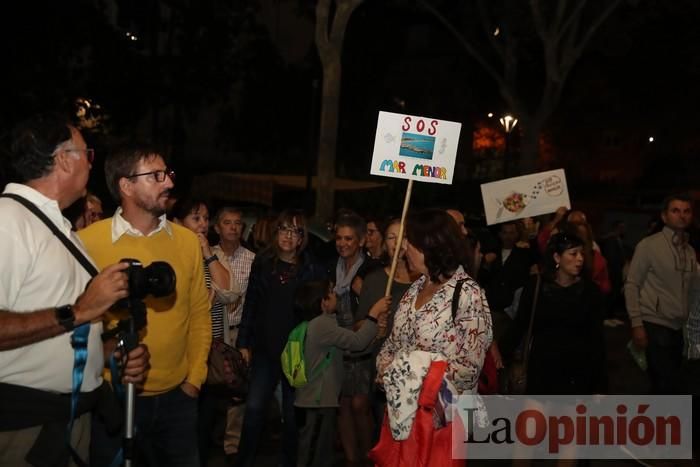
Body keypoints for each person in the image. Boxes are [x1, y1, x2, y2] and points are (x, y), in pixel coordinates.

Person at [0, 114, 148, 466]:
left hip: (69, 421)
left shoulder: (60, 230)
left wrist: (112, 352)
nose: (91, 165)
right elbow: (74, 314)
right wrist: (80, 311)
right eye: (88, 154)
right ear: (64, 159)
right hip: (24, 428)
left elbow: (62, 332)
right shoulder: (8, 220)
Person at [79, 145, 211, 466]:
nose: (168, 182)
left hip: (177, 400)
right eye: (156, 176)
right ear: (126, 186)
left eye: (168, 174)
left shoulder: (187, 241)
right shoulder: (86, 242)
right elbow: (79, 321)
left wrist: (194, 379)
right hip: (110, 398)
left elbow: (199, 314)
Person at [376, 209, 492, 441]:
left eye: (411, 241)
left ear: (433, 245)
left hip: (443, 423)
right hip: (404, 417)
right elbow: (392, 345)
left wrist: (409, 374)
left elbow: (468, 368)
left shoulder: (468, 293)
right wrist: (387, 369)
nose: (404, 247)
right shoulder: (414, 289)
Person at [235, 210, 327, 467]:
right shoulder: (263, 263)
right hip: (264, 350)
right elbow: (251, 304)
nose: (288, 236)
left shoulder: (313, 268)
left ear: (302, 237)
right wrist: (243, 343)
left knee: (291, 417)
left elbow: (319, 315)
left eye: (295, 231)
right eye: (283, 229)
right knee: (253, 410)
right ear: (276, 233)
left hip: (296, 353)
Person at [507, 232, 606, 467]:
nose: (580, 259)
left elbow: (597, 340)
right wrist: (498, 351)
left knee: (568, 442)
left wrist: (600, 385)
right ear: (556, 257)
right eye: (573, 253)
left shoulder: (590, 292)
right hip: (542, 370)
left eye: (582, 253)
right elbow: (520, 324)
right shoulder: (537, 286)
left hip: (577, 374)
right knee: (527, 437)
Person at [172, 198, 242, 466]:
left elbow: (231, 291)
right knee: (182, 422)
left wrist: (207, 254)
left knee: (205, 418)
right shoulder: (172, 253)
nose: (203, 224)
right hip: (182, 350)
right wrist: (199, 303)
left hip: (211, 351)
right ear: (178, 223)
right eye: (195, 218)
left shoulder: (212, 254)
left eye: (205, 218)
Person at [294, 280, 389, 467]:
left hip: (315, 401)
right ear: (323, 302)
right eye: (331, 292)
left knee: (315, 453)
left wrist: (375, 332)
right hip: (318, 402)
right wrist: (374, 313)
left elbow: (353, 347)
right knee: (314, 457)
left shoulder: (316, 325)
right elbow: (357, 342)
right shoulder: (322, 324)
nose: (336, 294)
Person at [624, 193, 697, 394]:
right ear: (664, 217)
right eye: (675, 210)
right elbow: (631, 285)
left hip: (678, 328)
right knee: (665, 385)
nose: (682, 215)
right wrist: (637, 324)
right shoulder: (648, 245)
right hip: (655, 324)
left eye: (686, 211)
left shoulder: (689, 251)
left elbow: (691, 292)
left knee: (670, 386)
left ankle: (660, 423)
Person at [211, 206, 256, 463]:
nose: (233, 227)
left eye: (238, 223)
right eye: (227, 222)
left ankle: (231, 445)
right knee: (212, 384)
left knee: (237, 387)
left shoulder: (252, 259)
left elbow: (252, 302)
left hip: (239, 331)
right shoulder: (208, 256)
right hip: (214, 331)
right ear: (217, 227)